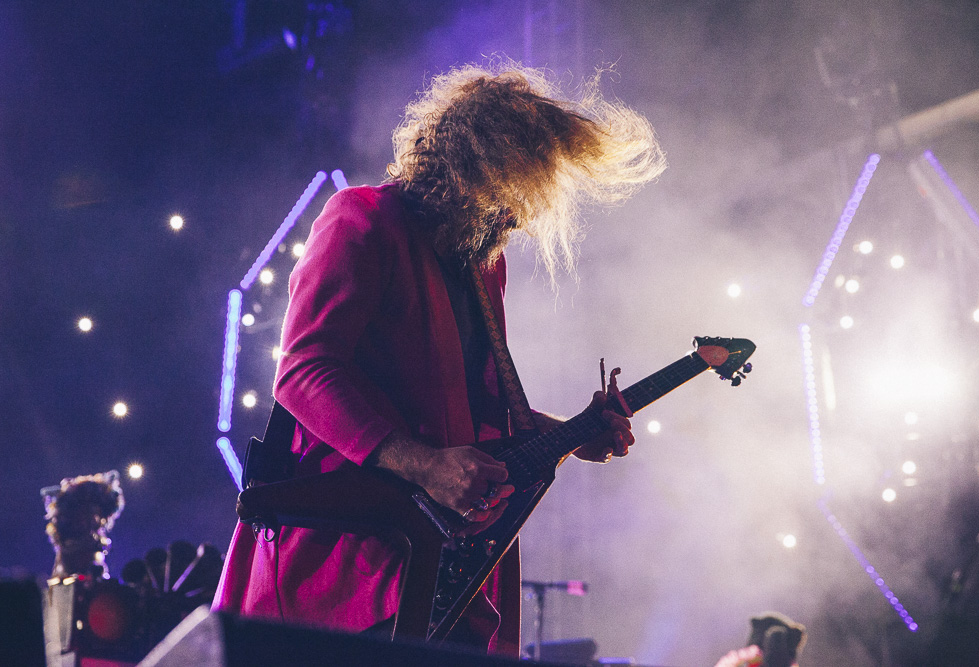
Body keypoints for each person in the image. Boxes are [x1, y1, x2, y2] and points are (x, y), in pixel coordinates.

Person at [212, 61, 665, 656]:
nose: (520, 217)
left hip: (436, 561)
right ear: (475, 168)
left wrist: (569, 434)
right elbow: (303, 371)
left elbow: (474, 415)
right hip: (350, 554)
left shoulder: (481, 265)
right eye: (516, 191)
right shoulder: (363, 218)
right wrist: (423, 464)